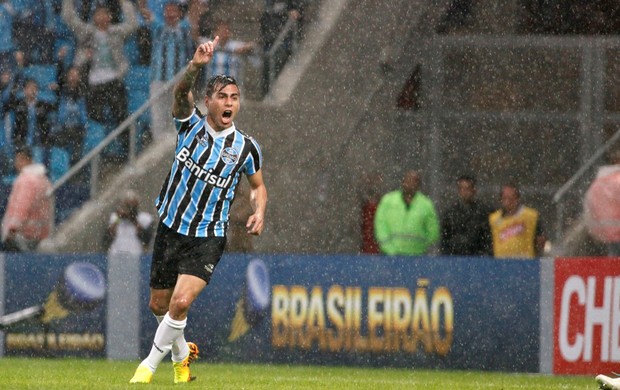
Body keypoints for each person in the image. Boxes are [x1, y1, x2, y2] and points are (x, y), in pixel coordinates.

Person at [129, 36, 268, 384]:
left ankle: (146, 367)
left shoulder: (246, 147)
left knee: (180, 302)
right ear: (207, 101)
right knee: (159, 306)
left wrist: (259, 210)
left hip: (208, 235)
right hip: (171, 226)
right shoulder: (189, 126)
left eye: (234, 98)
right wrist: (195, 66)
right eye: (222, 96)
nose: (229, 103)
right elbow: (179, 94)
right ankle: (181, 356)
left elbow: (258, 187)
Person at [61, 0, 138, 157]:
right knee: (95, 120)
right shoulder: (87, 32)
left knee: (121, 117)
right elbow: (68, 17)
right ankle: (98, 156)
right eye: (98, 14)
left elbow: (133, 24)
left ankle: (127, 153)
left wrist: (125, 3)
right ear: (93, 17)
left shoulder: (116, 32)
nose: (102, 17)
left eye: (105, 14)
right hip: (94, 83)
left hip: (114, 80)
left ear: (110, 17)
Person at [138, 0, 194, 141]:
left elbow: (195, 14)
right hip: (158, 79)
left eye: (173, 11)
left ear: (179, 13)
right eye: (167, 11)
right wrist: (142, 4)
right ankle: (160, 145)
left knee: (175, 113)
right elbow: (145, 12)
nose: (170, 14)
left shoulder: (184, 28)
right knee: (158, 114)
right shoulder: (158, 28)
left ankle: (174, 145)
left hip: (177, 81)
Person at [373, 169, 440, 256]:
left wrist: (420, 247)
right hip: (390, 256)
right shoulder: (388, 201)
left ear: (418, 184)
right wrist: (389, 249)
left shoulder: (426, 205)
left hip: (417, 257)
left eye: (414, 181)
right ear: (403, 181)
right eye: (408, 180)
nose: (410, 183)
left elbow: (433, 231)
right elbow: (380, 224)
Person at [0, 146, 52, 252]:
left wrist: (13, 229)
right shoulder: (43, 179)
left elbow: (22, 206)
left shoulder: (26, 180)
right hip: (41, 233)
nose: (15, 163)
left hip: (24, 234)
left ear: (24, 159)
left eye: (17, 159)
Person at [488, 182, 546, 259]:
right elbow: (489, 242)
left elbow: (540, 240)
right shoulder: (494, 219)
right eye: (505, 198)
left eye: (512, 198)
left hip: (525, 262)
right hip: (501, 264)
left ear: (518, 199)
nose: (509, 201)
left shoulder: (531, 216)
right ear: (501, 200)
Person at [440, 175, 493, 255]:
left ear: (474, 190)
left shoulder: (483, 212)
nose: (465, 192)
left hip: (477, 258)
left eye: (467, 188)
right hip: (455, 257)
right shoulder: (450, 213)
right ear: (459, 191)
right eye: (462, 188)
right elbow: (445, 239)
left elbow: (488, 238)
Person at [201, 19, 257, 92]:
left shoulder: (234, 45)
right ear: (215, 33)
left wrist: (243, 49)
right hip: (213, 88)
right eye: (221, 31)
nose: (224, 33)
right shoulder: (209, 44)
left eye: (226, 31)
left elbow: (252, 45)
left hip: (230, 88)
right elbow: (197, 41)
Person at [583, 149, 620, 256]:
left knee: (612, 264)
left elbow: (589, 211)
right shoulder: (617, 180)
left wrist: (596, 232)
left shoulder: (597, 184)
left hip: (605, 235)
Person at [104, 189, 154, 256]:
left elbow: (145, 239)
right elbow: (108, 238)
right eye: (126, 206)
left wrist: (132, 218)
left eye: (131, 207)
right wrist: (119, 218)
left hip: (136, 256)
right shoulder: (115, 218)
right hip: (116, 255)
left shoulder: (143, 218)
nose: (128, 209)